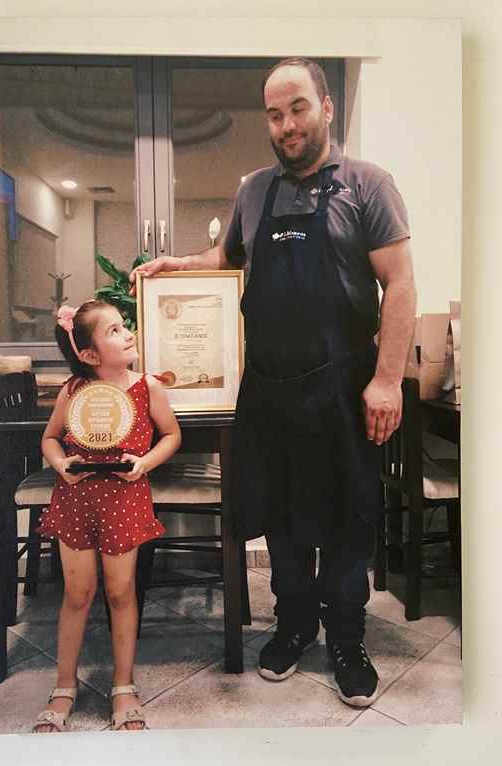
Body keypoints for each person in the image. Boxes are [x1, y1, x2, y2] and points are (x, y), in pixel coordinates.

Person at [130, 58, 416, 708]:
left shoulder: (368, 185)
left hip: (343, 388)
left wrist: (387, 380)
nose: (286, 125)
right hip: (269, 389)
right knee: (280, 519)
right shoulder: (255, 190)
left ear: (326, 107)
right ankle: (294, 624)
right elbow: (229, 257)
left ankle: (347, 639)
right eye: (275, 114)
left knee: (345, 519)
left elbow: (400, 283)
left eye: (298, 108)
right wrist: (180, 264)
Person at [32, 299, 181, 732]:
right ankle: (64, 685)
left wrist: (145, 463)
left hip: (124, 499)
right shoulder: (74, 390)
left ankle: (123, 684)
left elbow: (172, 434)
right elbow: (50, 438)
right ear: (89, 354)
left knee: (121, 592)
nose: (127, 333)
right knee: (77, 593)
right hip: (76, 500)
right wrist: (60, 464)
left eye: (124, 325)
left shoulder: (147, 387)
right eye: (114, 331)